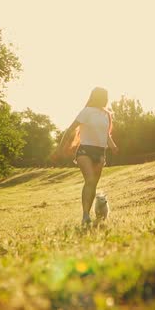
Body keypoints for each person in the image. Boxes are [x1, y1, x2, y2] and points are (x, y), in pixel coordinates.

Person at [54, 87, 119, 224]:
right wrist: (60, 147)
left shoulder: (106, 114)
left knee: (93, 184)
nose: (106, 99)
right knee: (90, 180)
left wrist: (112, 146)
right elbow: (70, 129)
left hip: (100, 152)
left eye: (106, 96)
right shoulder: (86, 111)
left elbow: (106, 134)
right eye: (104, 96)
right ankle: (85, 215)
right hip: (85, 151)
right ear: (96, 97)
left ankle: (90, 213)